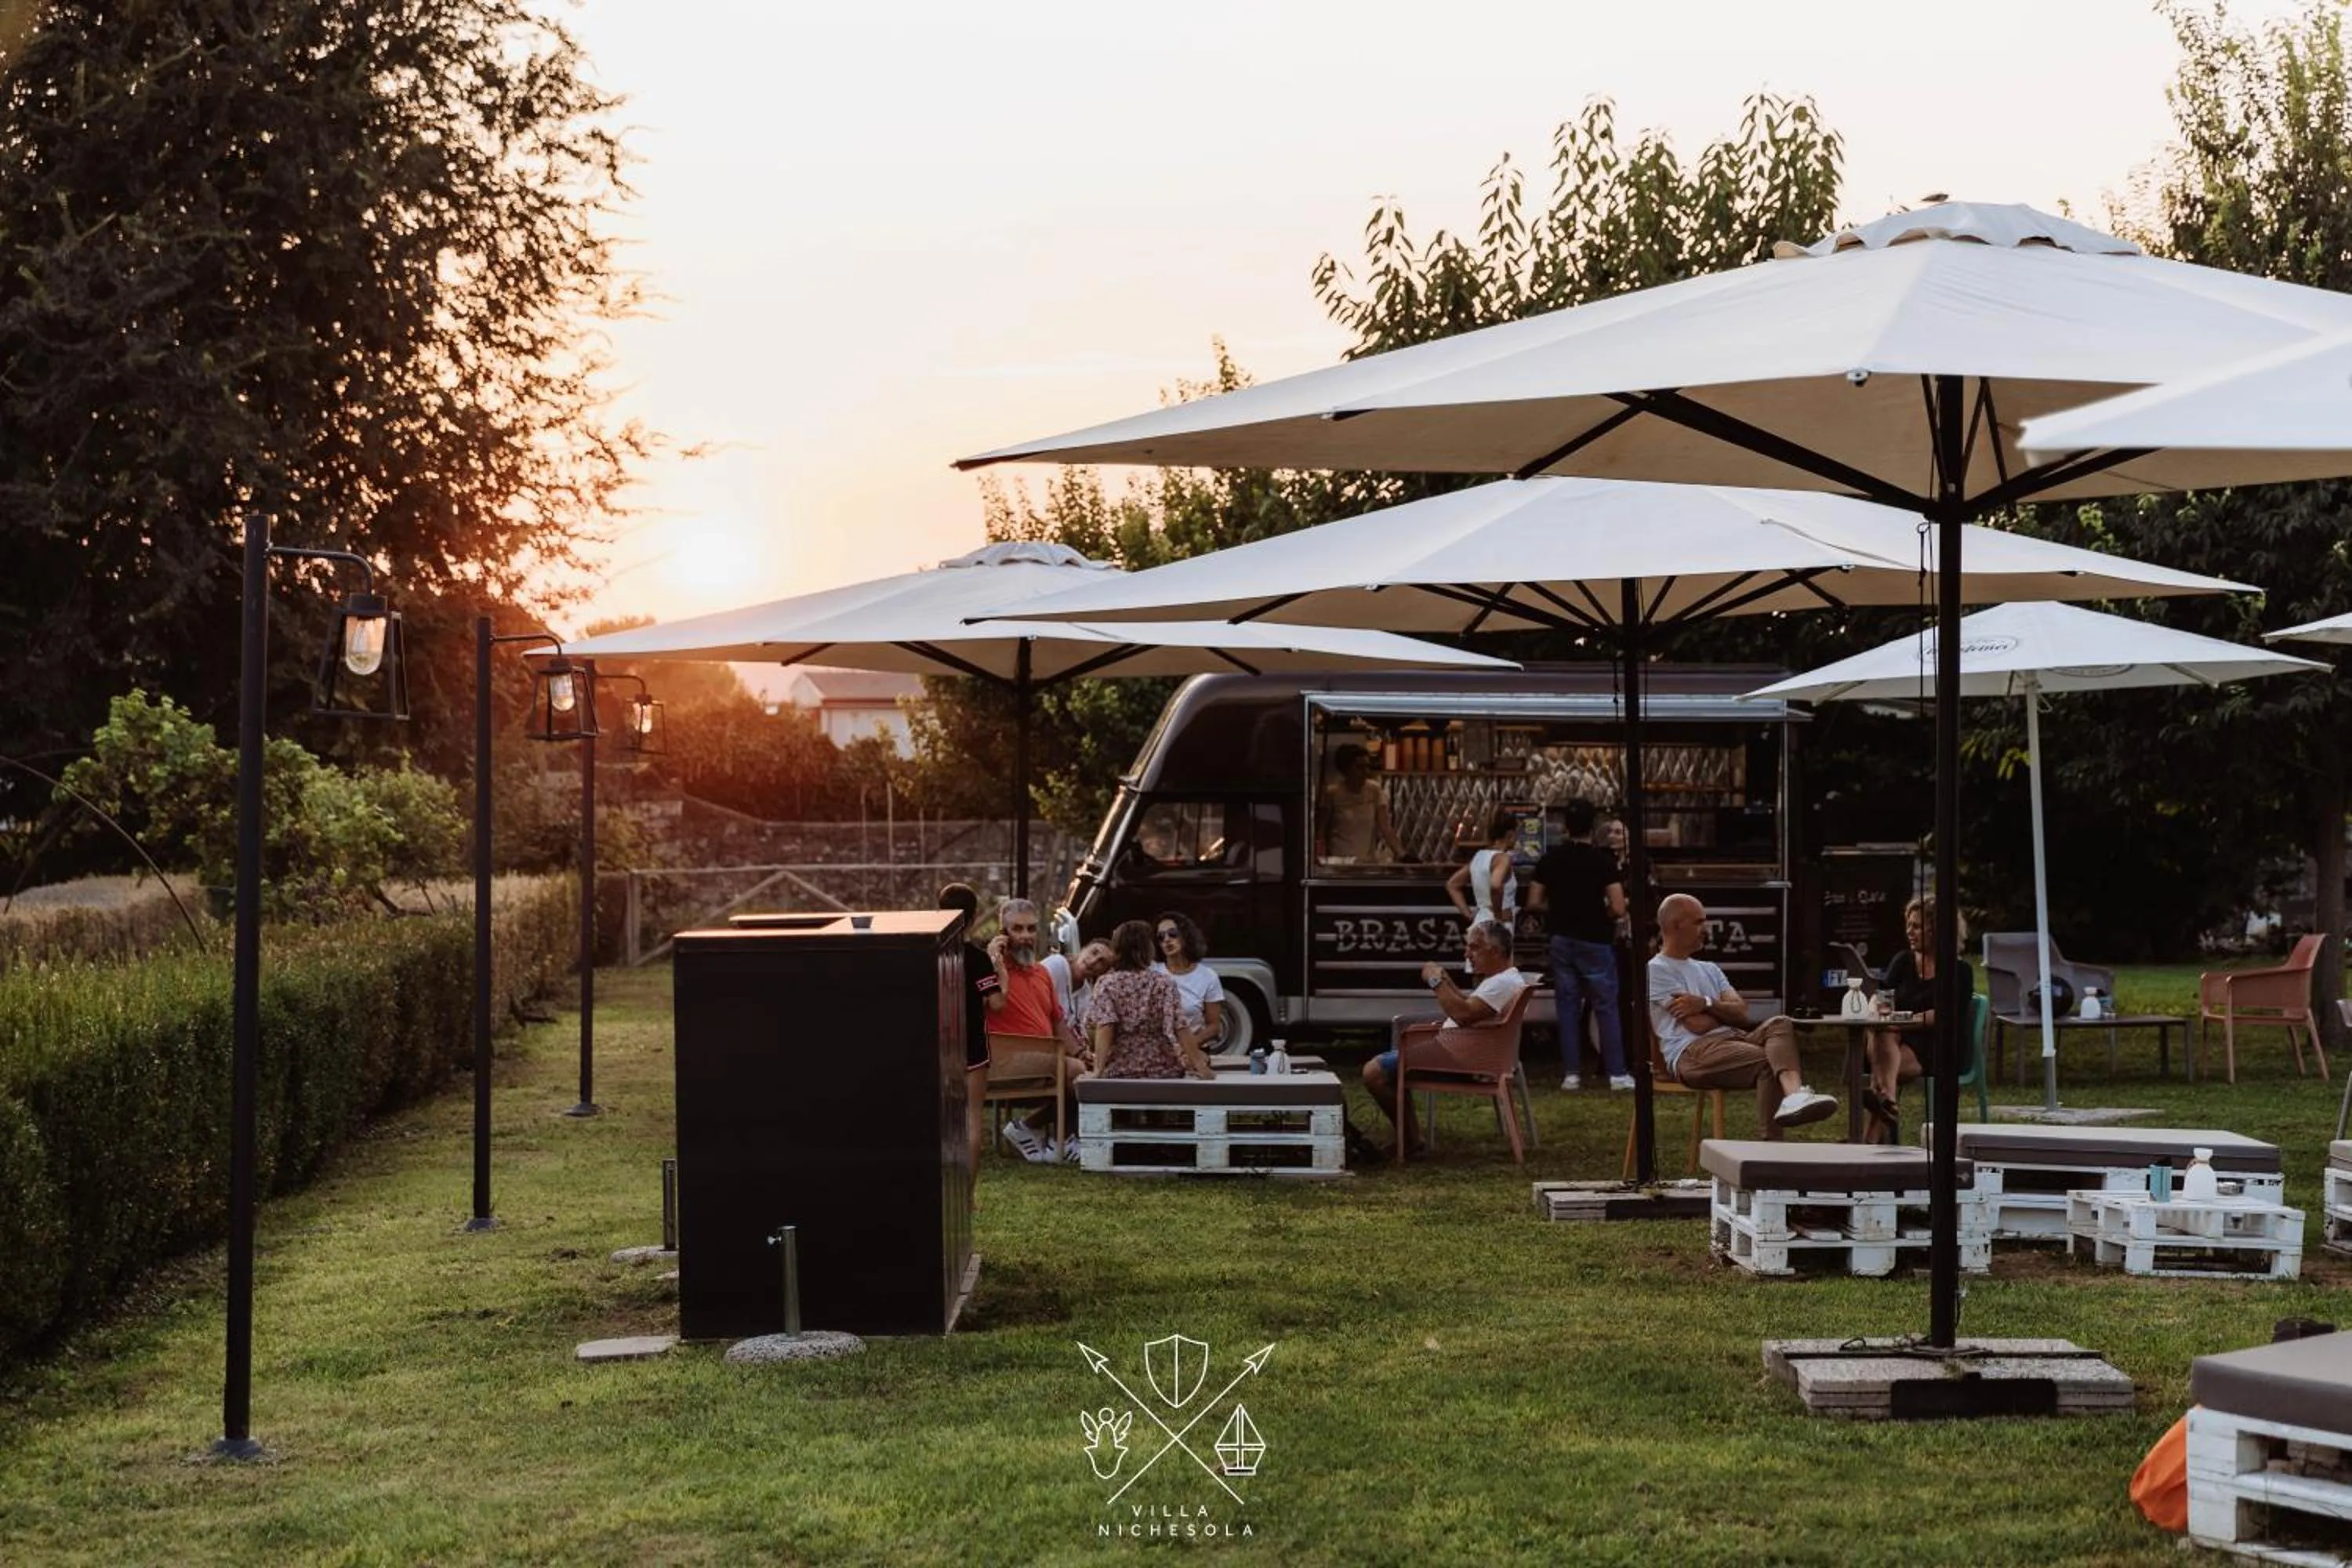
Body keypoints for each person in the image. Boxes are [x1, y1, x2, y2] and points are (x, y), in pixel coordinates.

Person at [1649, 893, 1835, 1138]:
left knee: (1781, 1023)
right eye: (1698, 922)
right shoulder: (1657, 970)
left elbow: (1742, 1013)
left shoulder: (1709, 969)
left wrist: (1704, 1002)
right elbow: (1697, 1025)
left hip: (1734, 1039)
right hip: (1693, 1052)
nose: (1706, 929)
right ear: (1675, 925)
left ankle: (1795, 1095)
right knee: (1771, 1060)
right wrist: (1723, 1012)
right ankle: (1771, 1152)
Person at [1361, 916, 1529, 1152]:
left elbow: (1463, 1014)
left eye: (1474, 947)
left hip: (1462, 1059)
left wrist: (1436, 981)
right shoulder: (1503, 980)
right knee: (1388, 1068)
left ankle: (1410, 1140)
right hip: (1464, 1051)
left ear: (1495, 950)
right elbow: (1469, 1006)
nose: (1467, 954)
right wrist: (1447, 982)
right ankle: (1410, 1138)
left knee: (1373, 1072)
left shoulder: (1501, 983)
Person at [1526, 799, 1632, 1092]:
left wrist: (1558, 911)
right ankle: (1618, 1074)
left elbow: (1533, 901)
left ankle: (1571, 1074)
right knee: (1606, 1008)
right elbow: (1619, 907)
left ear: (1565, 827)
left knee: (1568, 1007)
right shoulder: (1603, 862)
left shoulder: (1550, 859)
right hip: (1597, 940)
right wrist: (1601, 914)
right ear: (1594, 827)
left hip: (1561, 939)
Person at [1860, 895, 1973, 1144]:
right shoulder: (1903, 961)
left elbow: (1945, 1015)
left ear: (1937, 931)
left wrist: (1906, 1020)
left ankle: (1869, 1140)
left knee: (1882, 1065)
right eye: (1908, 925)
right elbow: (1882, 996)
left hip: (1936, 1045)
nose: (1909, 932)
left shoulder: (1959, 971)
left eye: (1917, 926)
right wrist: (1878, 1007)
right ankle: (1888, 1101)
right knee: (1881, 1031)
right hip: (1895, 1037)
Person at [985, 897, 1085, 1163]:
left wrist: (1083, 1051)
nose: (1026, 936)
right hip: (1004, 1060)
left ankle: (1041, 1132)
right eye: (1017, 929)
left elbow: (1057, 1023)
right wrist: (995, 962)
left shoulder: (1041, 972)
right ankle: (1056, 1137)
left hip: (1045, 1059)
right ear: (1002, 933)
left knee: (1088, 1071)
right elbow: (993, 1006)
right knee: (1076, 1072)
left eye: (1031, 929)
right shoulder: (989, 970)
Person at [1085, 920, 1211, 1080]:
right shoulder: (1164, 983)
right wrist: (1201, 1067)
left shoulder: (1107, 984)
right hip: (1162, 1066)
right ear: (1147, 949)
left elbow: (1106, 1026)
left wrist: (1098, 1069)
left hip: (1121, 1066)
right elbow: (1181, 1027)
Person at [939, 883, 996, 1189]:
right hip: (973, 1045)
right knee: (973, 1120)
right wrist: (1001, 970)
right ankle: (967, 1194)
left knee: (943, 1119)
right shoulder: (977, 959)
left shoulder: (929, 955)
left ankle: (943, 1190)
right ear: (973, 918)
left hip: (939, 1044)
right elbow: (997, 1003)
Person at [1152, 910, 1226, 1057]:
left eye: (1172, 934)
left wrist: (1187, 1046)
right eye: (1161, 937)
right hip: (1157, 1052)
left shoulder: (1208, 976)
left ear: (1186, 936)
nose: (1167, 940)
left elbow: (1214, 1026)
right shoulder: (1153, 973)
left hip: (1193, 1050)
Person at [1317, 743, 1407, 862]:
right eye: (1359, 767)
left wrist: (1403, 855)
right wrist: (1319, 859)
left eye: (1367, 767)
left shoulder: (1374, 790)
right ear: (1345, 769)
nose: (1365, 772)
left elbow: (1385, 827)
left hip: (1366, 862)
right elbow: (1321, 831)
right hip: (1340, 862)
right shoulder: (1333, 793)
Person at [1446, 809, 1520, 927]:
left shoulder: (1478, 857)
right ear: (1510, 834)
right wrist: (1498, 916)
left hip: (1480, 922)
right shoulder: (1503, 858)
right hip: (1497, 927)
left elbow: (1452, 884)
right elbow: (1496, 885)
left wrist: (1468, 914)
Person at [1044, 938, 1116, 1056]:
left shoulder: (1087, 993)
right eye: (1094, 952)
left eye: (1102, 962)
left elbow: (1079, 1031)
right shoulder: (1057, 964)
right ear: (1082, 949)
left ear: (1103, 972)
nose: (1093, 961)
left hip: (1059, 1050)